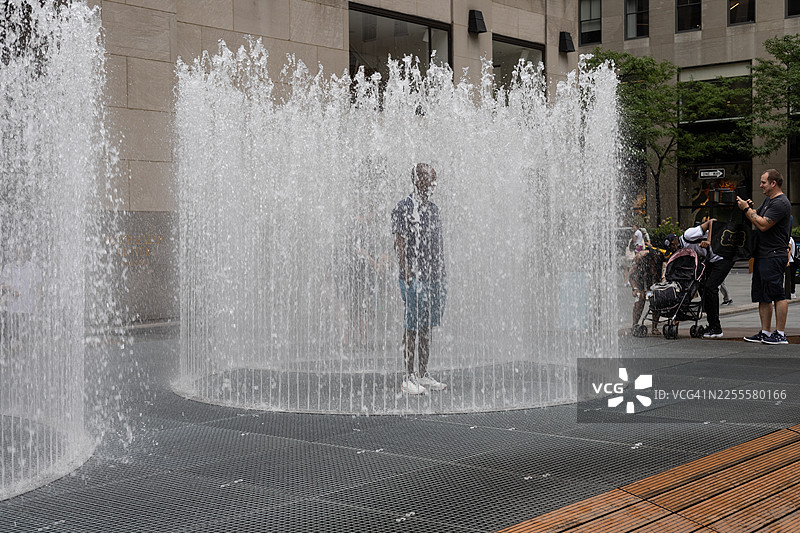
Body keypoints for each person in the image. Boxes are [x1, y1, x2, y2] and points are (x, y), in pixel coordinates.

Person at [392, 163, 447, 394]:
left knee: (426, 326)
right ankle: (408, 377)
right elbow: (400, 242)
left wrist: (442, 273)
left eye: (434, 179)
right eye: (429, 179)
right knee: (412, 326)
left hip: (434, 276)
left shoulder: (433, 209)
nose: (433, 184)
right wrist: (407, 275)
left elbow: (438, 244)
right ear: (417, 180)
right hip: (414, 277)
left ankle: (423, 374)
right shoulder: (404, 207)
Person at [737, 169, 792, 345]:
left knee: (777, 294)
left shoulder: (781, 203)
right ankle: (766, 332)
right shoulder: (769, 201)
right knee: (763, 295)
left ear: (773, 183)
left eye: (763, 182)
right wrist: (749, 208)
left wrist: (747, 209)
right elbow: (756, 216)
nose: (760, 185)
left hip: (774, 254)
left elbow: (762, 224)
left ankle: (780, 334)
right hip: (762, 254)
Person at [677, 219, 734, 339]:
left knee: (710, 287)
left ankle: (716, 328)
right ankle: (711, 323)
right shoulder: (685, 251)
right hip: (712, 259)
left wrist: (709, 241)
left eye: (673, 247)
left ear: (675, 241)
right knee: (702, 287)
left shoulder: (688, 235)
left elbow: (712, 221)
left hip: (724, 257)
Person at [629, 235, 680, 335]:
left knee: (658, 296)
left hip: (655, 284)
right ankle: (634, 325)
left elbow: (665, 276)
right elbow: (631, 275)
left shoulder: (662, 258)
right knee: (640, 297)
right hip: (642, 284)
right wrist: (635, 289)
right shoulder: (642, 259)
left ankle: (654, 327)